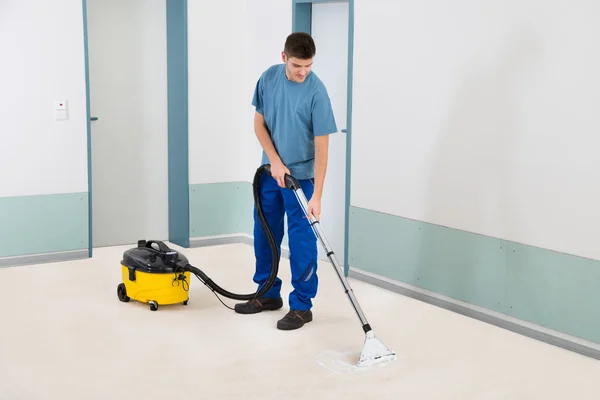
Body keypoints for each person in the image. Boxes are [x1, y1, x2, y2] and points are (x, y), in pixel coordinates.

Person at [234, 32, 337, 330]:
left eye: (308, 66)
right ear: (284, 57)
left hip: (302, 180)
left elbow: (322, 147)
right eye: (296, 66)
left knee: (302, 242)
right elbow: (259, 124)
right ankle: (267, 293)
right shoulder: (268, 79)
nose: (303, 72)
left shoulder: (317, 92)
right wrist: (274, 161)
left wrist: (317, 195)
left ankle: (302, 306)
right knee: (264, 234)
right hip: (269, 175)